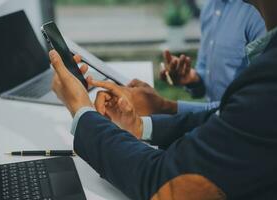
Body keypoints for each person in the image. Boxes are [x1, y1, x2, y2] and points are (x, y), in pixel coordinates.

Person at [49, 0, 277, 199]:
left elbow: (166, 182)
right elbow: (230, 112)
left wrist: (82, 111)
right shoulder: (212, 10)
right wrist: (140, 126)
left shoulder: (269, 76)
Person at [136, 0, 266, 116]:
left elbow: (254, 105)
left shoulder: (258, 13)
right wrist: (192, 79)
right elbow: (204, 78)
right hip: (212, 122)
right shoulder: (210, 7)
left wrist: (166, 106)